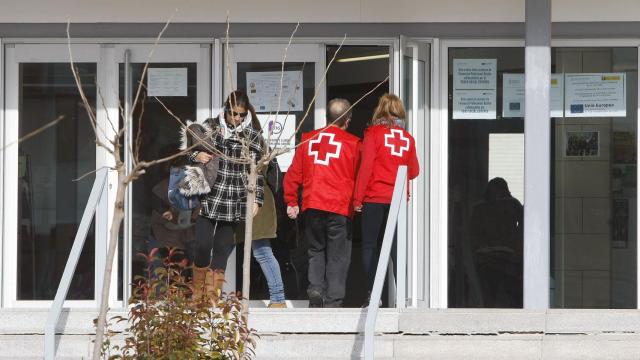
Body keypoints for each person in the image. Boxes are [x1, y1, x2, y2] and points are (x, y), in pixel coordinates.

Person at [283, 98, 361, 308]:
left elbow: (293, 174)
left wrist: (292, 200)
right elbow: (360, 177)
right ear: (348, 120)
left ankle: (316, 289)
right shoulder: (353, 144)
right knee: (338, 255)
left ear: (328, 117)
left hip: (313, 204)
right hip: (340, 207)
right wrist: (358, 201)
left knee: (315, 250)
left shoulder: (308, 139)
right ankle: (333, 301)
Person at [188, 90, 265, 301]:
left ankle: (211, 298)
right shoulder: (210, 127)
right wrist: (197, 154)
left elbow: (256, 171)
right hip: (210, 194)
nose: (237, 118)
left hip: (235, 196)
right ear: (225, 109)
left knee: (222, 248)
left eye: (241, 114)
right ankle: (197, 294)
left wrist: (257, 198)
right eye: (233, 113)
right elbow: (188, 150)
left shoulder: (253, 136)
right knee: (203, 245)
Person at [352, 94, 420, 305]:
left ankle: (374, 295)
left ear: (380, 111)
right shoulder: (407, 138)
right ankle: (403, 295)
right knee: (396, 248)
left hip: (374, 197)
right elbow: (414, 171)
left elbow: (366, 167)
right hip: (397, 199)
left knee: (370, 247)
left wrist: (357, 198)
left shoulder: (373, 134)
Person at [469, 177, 523, 308]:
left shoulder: (478, 207)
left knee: (488, 295)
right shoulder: (513, 204)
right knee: (509, 294)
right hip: (508, 256)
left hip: (483, 257)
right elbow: (524, 229)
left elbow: (472, 233)